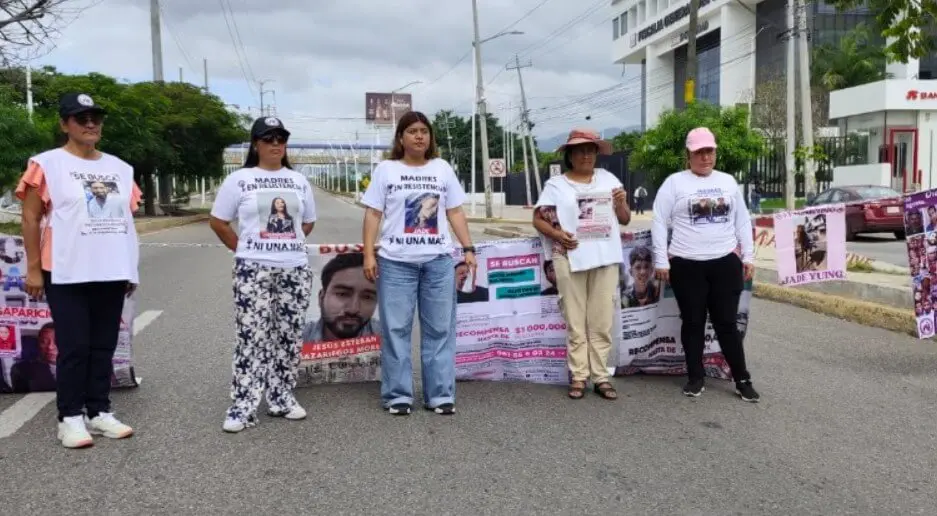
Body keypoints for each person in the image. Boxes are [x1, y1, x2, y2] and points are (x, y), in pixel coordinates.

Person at [16, 92, 141, 449]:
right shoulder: (47, 164)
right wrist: (34, 269)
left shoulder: (120, 168)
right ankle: (69, 417)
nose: (90, 124)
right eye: (81, 118)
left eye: (95, 118)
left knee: (103, 345)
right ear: (64, 124)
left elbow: (125, 221)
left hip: (111, 269)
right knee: (74, 346)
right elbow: (30, 217)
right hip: (67, 271)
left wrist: (130, 269)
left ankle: (98, 410)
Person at [360, 110, 476, 416]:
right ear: (401, 137)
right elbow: (373, 213)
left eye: (424, 131)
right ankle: (398, 395)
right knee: (396, 329)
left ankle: (440, 395)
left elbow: (455, 212)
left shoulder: (442, 169)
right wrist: (369, 254)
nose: (419, 136)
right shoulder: (386, 170)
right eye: (412, 131)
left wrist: (468, 247)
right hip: (396, 263)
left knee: (440, 329)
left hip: (437, 262)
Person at [210, 116, 317, 433]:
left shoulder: (298, 181)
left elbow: (306, 223)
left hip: (294, 269)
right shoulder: (240, 179)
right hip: (252, 269)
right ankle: (242, 406)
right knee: (251, 336)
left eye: (280, 138)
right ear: (255, 144)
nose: (275, 144)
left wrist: (288, 243)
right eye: (268, 138)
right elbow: (219, 221)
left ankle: (282, 397)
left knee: (288, 334)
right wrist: (242, 248)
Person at [650, 127, 760, 402]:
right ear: (689, 154)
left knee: (726, 324)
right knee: (693, 322)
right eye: (699, 152)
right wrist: (661, 259)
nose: (705, 157)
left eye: (709, 151)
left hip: (724, 262)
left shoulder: (728, 181)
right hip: (687, 264)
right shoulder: (674, 183)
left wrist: (747, 256)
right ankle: (695, 377)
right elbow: (659, 221)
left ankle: (742, 378)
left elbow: (743, 221)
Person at [532, 128, 631, 400]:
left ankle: (601, 376)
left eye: (591, 150)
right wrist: (557, 234)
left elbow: (624, 219)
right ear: (570, 155)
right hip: (569, 257)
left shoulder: (609, 179)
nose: (586, 155)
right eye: (580, 150)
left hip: (604, 258)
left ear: (597, 154)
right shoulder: (556, 185)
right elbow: (538, 218)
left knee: (601, 320)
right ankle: (578, 375)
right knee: (575, 320)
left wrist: (621, 203)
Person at [301, 252, 379, 342]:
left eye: (367, 297)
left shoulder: (390, 341)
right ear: (321, 297)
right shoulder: (294, 338)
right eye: (342, 294)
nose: (353, 309)